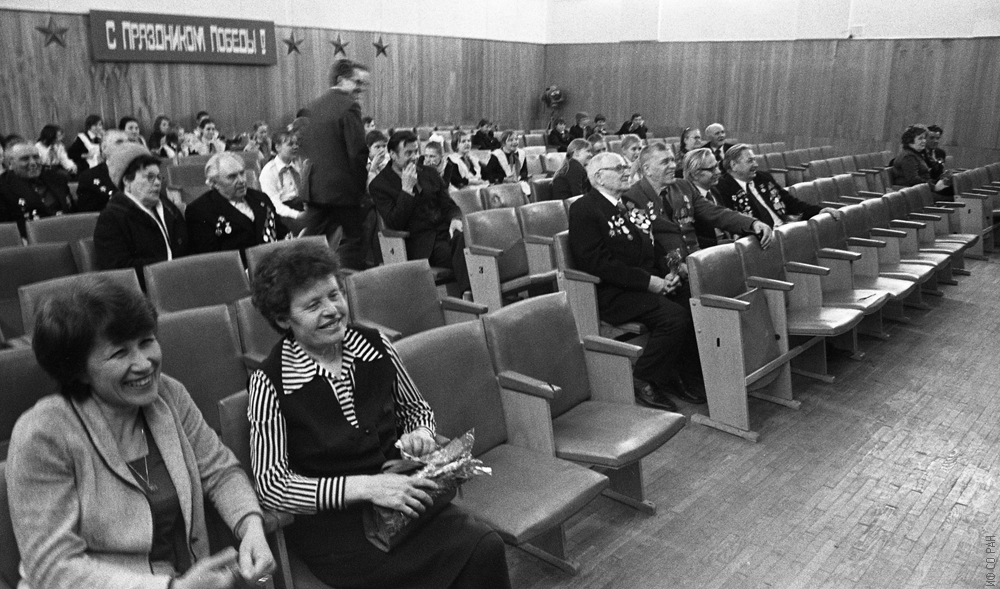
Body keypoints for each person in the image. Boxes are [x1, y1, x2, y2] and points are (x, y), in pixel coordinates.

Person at [246, 241, 510, 588]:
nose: (332, 310)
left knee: (485, 547)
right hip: (339, 530)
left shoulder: (374, 344)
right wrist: (367, 487)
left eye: (335, 295)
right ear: (283, 319)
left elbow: (416, 409)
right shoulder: (270, 382)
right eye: (313, 305)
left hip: (402, 500)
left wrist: (421, 434)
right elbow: (272, 485)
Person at [8, 276, 276, 589]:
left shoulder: (169, 395)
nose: (144, 363)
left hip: (189, 578)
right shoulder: (42, 433)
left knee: (265, 581)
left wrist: (251, 526)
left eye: (146, 342)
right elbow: (51, 567)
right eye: (120, 353)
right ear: (79, 371)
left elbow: (220, 471)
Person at [568, 152, 704, 412]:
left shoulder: (626, 205)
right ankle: (643, 378)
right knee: (674, 317)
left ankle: (679, 373)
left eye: (626, 166)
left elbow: (651, 245)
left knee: (692, 299)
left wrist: (669, 272)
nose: (626, 171)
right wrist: (649, 282)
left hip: (644, 283)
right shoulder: (585, 208)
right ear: (599, 177)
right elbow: (597, 263)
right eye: (619, 167)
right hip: (613, 291)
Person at [624, 143, 770, 274]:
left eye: (672, 160)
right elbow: (646, 247)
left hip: (697, 261)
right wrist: (675, 266)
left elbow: (715, 212)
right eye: (665, 162)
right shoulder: (632, 198)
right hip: (667, 271)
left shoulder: (683, 186)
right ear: (647, 169)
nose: (673, 166)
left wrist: (752, 223)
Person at [369, 130, 469, 291]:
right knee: (468, 254)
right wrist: (406, 190)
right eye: (408, 153)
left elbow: (449, 206)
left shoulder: (429, 172)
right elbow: (395, 223)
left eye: (416, 151)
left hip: (446, 233)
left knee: (474, 240)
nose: (414, 157)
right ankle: (473, 295)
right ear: (393, 155)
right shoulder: (380, 185)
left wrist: (455, 218)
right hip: (421, 244)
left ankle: (470, 294)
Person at [299, 58, 371, 270]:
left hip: (316, 189)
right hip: (343, 191)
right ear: (341, 80)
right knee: (354, 241)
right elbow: (357, 153)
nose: (360, 88)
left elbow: (306, 147)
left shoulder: (313, 107)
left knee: (309, 245)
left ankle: (302, 280)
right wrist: (360, 189)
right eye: (356, 82)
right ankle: (348, 285)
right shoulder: (349, 107)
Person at [94, 145, 188, 279]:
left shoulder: (168, 207)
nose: (157, 183)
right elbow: (120, 269)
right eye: (150, 177)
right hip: (144, 288)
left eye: (158, 177)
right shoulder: (111, 218)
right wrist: (170, 269)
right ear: (127, 181)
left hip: (181, 281)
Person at [185, 152, 287, 255]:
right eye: (232, 177)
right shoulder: (200, 211)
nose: (241, 180)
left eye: (242, 173)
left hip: (275, 259)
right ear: (215, 183)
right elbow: (211, 258)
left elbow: (281, 232)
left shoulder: (260, 198)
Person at [717, 144, 837, 227]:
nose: (756, 164)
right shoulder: (722, 187)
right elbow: (732, 221)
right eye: (750, 161)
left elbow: (790, 202)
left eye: (755, 160)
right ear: (734, 165)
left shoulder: (763, 178)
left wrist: (819, 211)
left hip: (784, 228)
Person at [0, 140, 74, 238]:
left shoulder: (56, 178)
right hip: (30, 241)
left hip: (68, 233)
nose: (33, 163)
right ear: (10, 164)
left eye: (36, 157)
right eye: (25, 159)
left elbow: (73, 211)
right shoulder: (3, 187)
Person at [683, 148, 731, 248]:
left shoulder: (715, 191)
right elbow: (688, 237)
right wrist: (717, 244)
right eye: (712, 169)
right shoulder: (685, 199)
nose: (718, 172)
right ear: (694, 175)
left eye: (717, 166)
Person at [891, 124, 952, 199]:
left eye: (924, 138)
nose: (924, 141)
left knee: (953, 186)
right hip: (914, 194)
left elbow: (927, 175)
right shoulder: (908, 157)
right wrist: (934, 187)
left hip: (923, 189)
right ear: (910, 140)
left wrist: (940, 179)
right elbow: (913, 180)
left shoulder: (916, 154)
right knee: (954, 196)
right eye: (920, 138)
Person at [75, 129, 129, 212]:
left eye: (128, 143)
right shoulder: (88, 177)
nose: (126, 147)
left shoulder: (137, 172)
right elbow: (88, 214)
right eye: (119, 142)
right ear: (104, 148)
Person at [259, 130, 306, 223]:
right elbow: (275, 205)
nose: (295, 147)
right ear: (277, 147)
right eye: (290, 144)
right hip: (283, 214)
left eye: (296, 144)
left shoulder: (299, 165)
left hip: (301, 206)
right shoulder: (268, 172)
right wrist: (298, 215)